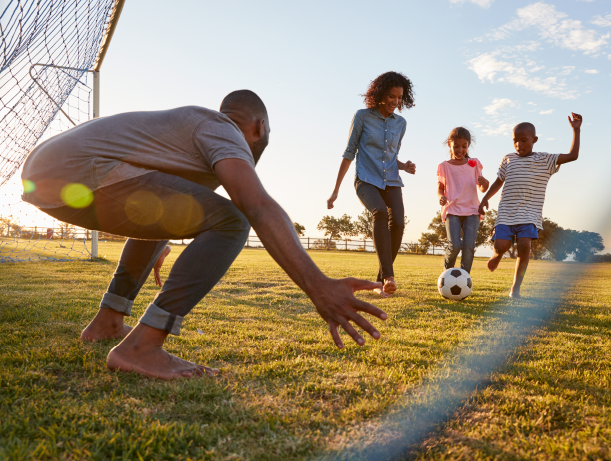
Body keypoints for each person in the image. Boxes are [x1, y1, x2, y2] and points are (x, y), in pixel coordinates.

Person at [21, 90, 388, 380]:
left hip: (48, 176)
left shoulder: (191, 138)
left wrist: (158, 234)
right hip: (79, 170)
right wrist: (318, 286)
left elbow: (159, 204)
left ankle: (107, 322)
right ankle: (141, 349)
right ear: (258, 127)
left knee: (180, 215)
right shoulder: (220, 127)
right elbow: (256, 205)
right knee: (233, 220)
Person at [327, 72, 416, 298]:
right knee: (379, 213)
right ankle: (389, 276)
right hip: (366, 180)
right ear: (379, 95)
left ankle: (381, 281)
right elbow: (349, 153)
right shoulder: (362, 117)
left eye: (399, 97)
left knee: (397, 221)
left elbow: (390, 156)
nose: (395, 102)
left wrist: (404, 165)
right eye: (391, 96)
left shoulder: (401, 124)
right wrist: (336, 189)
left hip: (392, 181)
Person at [478, 113, 583, 298]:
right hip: (506, 212)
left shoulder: (545, 159)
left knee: (525, 245)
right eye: (515, 141)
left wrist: (576, 130)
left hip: (529, 214)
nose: (519, 144)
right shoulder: (508, 158)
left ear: (534, 140)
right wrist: (485, 198)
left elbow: (573, 156)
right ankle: (497, 254)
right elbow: (498, 181)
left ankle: (515, 288)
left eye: (523, 140)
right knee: (501, 245)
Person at [437, 127, 489, 273]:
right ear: (449, 144)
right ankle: (447, 274)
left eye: (464, 146)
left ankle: (464, 277)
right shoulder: (444, 166)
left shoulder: (474, 164)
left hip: (472, 210)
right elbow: (440, 189)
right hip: (452, 210)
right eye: (456, 146)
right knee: (454, 245)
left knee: (468, 247)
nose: (460, 150)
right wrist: (441, 197)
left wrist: (485, 183)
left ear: (468, 145)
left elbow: (482, 188)